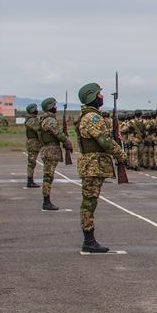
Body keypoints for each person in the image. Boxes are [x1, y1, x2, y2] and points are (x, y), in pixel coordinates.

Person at [75, 82, 128, 253]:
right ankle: (88, 241)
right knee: (89, 203)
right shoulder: (92, 117)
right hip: (93, 164)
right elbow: (104, 141)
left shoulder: (90, 115)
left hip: (92, 163)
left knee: (90, 202)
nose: (102, 96)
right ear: (92, 96)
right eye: (99, 94)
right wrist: (121, 154)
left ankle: (89, 239)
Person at [38, 97, 74, 211]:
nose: (56, 107)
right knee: (48, 177)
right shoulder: (50, 120)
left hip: (48, 150)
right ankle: (46, 201)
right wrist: (67, 142)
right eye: (54, 105)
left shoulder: (46, 119)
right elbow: (58, 134)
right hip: (50, 151)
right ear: (50, 106)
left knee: (48, 176)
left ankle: (46, 200)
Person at [24, 103, 43, 188]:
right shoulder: (31, 120)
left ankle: (30, 180)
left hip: (34, 143)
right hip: (33, 143)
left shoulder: (34, 119)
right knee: (32, 162)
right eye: (35, 109)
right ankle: (30, 181)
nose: (37, 110)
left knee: (32, 162)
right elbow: (38, 130)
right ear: (32, 110)